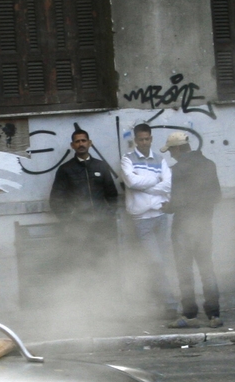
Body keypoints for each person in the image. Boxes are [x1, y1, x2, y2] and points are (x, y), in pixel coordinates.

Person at [119, 122, 178, 322]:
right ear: (136, 140)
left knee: (162, 262)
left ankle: (161, 304)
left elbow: (168, 184)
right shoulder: (127, 159)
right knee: (155, 262)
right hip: (141, 219)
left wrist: (145, 185)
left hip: (160, 217)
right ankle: (170, 305)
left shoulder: (160, 159)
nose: (144, 142)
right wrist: (156, 181)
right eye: (141, 139)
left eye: (147, 139)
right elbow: (132, 182)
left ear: (151, 139)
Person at [164, 134, 222, 327]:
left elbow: (174, 203)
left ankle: (190, 316)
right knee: (207, 269)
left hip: (183, 226)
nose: (171, 155)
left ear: (178, 149)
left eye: (171, 150)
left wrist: (166, 207)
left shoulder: (177, 170)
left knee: (185, 271)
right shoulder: (210, 164)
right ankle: (215, 315)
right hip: (205, 225)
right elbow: (217, 196)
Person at [48, 128, 120, 263]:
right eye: (77, 141)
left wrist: (108, 214)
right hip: (78, 227)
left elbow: (112, 194)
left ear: (90, 143)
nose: (81, 144)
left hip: (102, 225)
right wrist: (69, 220)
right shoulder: (65, 169)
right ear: (72, 145)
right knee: (81, 263)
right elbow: (56, 200)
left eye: (83, 141)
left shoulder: (101, 166)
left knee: (105, 261)